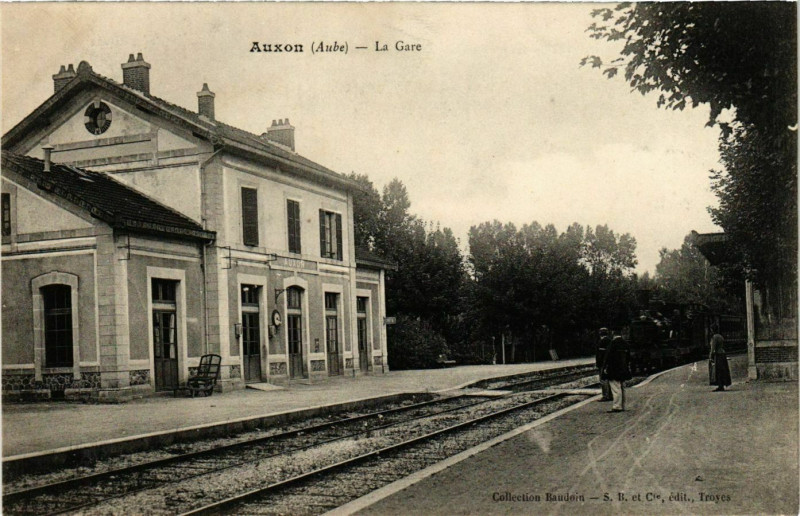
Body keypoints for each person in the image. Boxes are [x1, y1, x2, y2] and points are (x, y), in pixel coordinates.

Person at [601, 335, 632, 412]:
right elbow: (629, 358)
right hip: (624, 369)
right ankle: (623, 406)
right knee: (623, 388)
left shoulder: (612, 344)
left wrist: (605, 368)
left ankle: (617, 406)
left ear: (614, 334)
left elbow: (608, 358)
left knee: (615, 388)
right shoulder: (626, 344)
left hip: (614, 370)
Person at [709, 324, 732, 391]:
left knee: (718, 371)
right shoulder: (720, 336)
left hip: (718, 355)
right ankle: (722, 384)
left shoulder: (714, 337)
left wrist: (711, 356)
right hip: (723, 354)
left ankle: (720, 386)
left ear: (712, 330)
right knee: (723, 370)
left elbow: (713, 348)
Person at [596, 328, 612, 401]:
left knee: (603, 380)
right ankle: (610, 395)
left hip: (602, 363)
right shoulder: (610, 341)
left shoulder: (601, 342)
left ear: (600, 334)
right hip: (609, 363)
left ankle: (605, 396)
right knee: (609, 379)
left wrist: (598, 363)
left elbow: (600, 355)